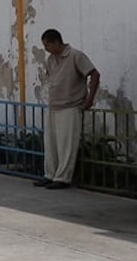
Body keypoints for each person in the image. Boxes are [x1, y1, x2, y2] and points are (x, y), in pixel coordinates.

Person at [36, 29, 100, 189]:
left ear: (56, 42)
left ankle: (63, 178)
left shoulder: (75, 55)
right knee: (51, 143)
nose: (46, 48)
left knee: (66, 144)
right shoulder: (50, 59)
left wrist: (89, 99)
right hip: (54, 105)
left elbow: (94, 74)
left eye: (48, 45)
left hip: (70, 105)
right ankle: (50, 174)